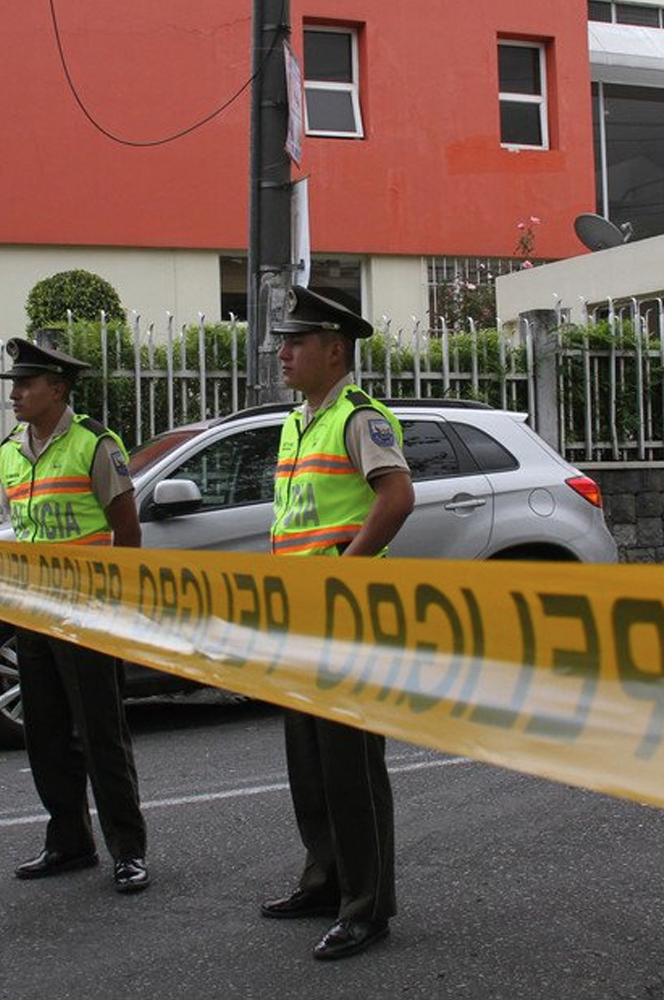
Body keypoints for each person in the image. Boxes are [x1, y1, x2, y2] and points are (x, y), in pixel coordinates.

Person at [260, 286, 415, 961]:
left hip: (343, 614)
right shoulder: (301, 420)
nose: (282, 352)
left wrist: (344, 572)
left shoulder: (359, 417)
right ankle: (324, 880)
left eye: (295, 342)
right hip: (300, 614)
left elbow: (397, 495)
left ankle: (368, 905)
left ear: (333, 349)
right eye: (283, 341)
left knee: (349, 765)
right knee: (310, 762)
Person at [0, 336, 151, 895]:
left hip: (88, 611)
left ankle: (128, 850)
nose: (15, 394)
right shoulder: (11, 449)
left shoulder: (94, 445)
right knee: (47, 734)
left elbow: (126, 529)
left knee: (101, 733)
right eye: (14, 384)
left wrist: (121, 601)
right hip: (35, 610)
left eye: (26, 384)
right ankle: (68, 841)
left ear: (57, 389)